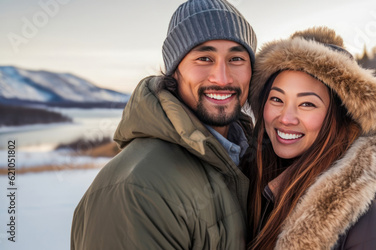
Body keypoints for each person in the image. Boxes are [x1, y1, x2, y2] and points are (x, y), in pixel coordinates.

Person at [71, 0, 257, 249]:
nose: (222, 77)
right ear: (174, 72)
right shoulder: (138, 189)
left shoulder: (253, 157)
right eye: (204, 58)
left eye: (236, 58)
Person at [243, 27, 376, 249]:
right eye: (277, 99)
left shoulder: (370, 223)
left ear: (338, 118)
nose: (286, 118)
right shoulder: (255, 188)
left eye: (307, 104)